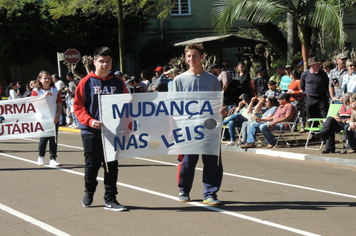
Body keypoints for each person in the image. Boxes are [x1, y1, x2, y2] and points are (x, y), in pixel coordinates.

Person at [74, 46, 128, 211]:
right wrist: (89, 121)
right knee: (92, 164)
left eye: (109, 61)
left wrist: (128, 125)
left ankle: (110, 198)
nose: (105, 64)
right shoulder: (86, 82)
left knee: (111, 165)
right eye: (102, 61)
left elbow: (128, 105)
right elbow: (78, 107)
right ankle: (89, 190)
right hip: (90, 131)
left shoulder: (118, 82)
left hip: (113, 132)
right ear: (95, 62)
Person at [170, 43, 223, 205]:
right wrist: (172, 128)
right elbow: (172, 106)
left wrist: (223, 111)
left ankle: (210, 194)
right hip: (187, 128)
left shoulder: (213, 80)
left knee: (212, 162)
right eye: (188, 56)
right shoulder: (179, 80)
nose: (191, 59)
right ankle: (183, 190)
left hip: (210, 128)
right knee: (187, 161)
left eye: (194, 56)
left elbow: (218, 104)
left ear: (202, 57)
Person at [32, 71, 62, 166]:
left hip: (53, 118)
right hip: (42, 118)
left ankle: (53, 158)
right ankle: (41, 157)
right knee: (43, 138)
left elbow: (59, 104)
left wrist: (57, 115)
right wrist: (43, 97)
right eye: (45, 78)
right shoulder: (36, 91)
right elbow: (33, 103)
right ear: (40, 79)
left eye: (49, 78)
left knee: (54, 139)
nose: (47, 80)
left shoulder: (55, 90)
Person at [300, 57, 329, 127]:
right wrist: (308, 93)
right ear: (311, 66)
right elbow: (302, 86)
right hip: (310, 98)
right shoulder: (305, 74)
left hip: (322, 97)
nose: (319, 65)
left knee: (324, 115)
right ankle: (314, 134)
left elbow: (327, 83)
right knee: (311, 116)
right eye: (317, 64)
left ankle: (325, 133)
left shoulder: (323, 74)